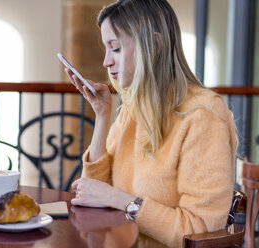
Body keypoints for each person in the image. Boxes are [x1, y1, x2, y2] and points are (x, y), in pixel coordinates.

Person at [65, 0, 236, 247]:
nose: (105, 62)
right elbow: (95, 194)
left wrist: (121, 200)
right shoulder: (134, 106)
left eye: (115, 48)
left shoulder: (203, 115)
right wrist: (102, 116)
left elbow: (199, 231)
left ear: (154, 45)